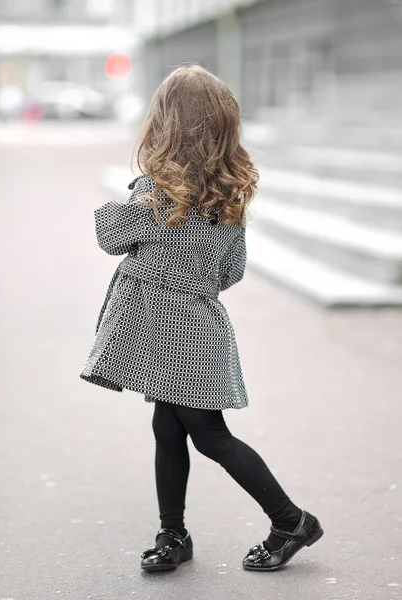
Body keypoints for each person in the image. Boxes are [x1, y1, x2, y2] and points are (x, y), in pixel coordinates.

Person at [80, 65, 324, 573]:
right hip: (197, 327)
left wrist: (141, 203)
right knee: (167, 430)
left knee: (208, 434)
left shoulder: (156, 195)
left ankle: (290, 520)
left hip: (175, 335)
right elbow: (231, 270)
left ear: (164, 125)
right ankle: (173, 534)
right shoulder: (226, 196)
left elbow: (108, 235)